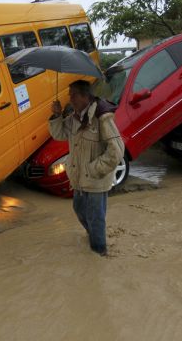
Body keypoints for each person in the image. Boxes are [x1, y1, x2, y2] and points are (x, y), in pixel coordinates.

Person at [49, 79, 125, 256]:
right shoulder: (75, 118)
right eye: (70, 94)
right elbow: (59, 134)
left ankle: (99, 254)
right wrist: (56, 115)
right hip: (79, 178)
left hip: (95, 179)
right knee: (79, 208)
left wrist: (94, 169)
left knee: (95, 217)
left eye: (73, 94)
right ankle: (94, 237)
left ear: (85, 96)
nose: (70, 98)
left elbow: (117, 150)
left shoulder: (101, 117)